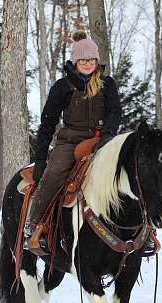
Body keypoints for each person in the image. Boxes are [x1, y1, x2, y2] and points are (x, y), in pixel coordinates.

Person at [24, 32, 122, 249]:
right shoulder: (63, 86)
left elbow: (115, 112)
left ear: (97, 61)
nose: (87, 64)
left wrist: (107, 135)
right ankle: (34, 224)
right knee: (54, 173)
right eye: (83, 60)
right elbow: (47, 123)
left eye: (91, 60)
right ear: (75, 62)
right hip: (70, 143)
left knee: (128, 171)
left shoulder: (107, 84)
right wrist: (41, 158)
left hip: (101, 141)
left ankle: (140, 227)